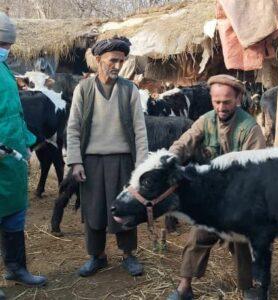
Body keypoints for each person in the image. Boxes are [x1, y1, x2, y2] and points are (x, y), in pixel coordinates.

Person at [166, 74, 266, 300]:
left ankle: (247, 287)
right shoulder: (205, 120)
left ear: (238, 99)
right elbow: (184, 142)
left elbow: (256, 170)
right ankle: (184, 286)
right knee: (197, 236)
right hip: (213, 198)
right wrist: (171, 158)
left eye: (227, 102)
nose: (221, 107)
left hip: (242, 199)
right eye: (216, 101)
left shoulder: (250, 129)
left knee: (241, 241)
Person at [66, 36, 148, 277]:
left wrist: (141, 166)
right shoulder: (84, 89)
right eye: (113, 60)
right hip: (91, 162)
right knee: (93, 210)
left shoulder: (129, 90)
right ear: (98, 59)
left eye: (121, 61)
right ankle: (97, 256)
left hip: (123, 160)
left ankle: (128, 255)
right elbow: (73, 127)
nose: (117, 65)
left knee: (125, 208)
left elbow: (140, 130)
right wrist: (76, 161)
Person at [0, 12, 47, 295]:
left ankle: (16, 268)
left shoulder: (6, 72)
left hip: (13, 159)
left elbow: (13, 114)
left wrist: (27, 142)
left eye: (7, 45)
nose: (6, 50)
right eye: (2, 43)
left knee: (15, 215)